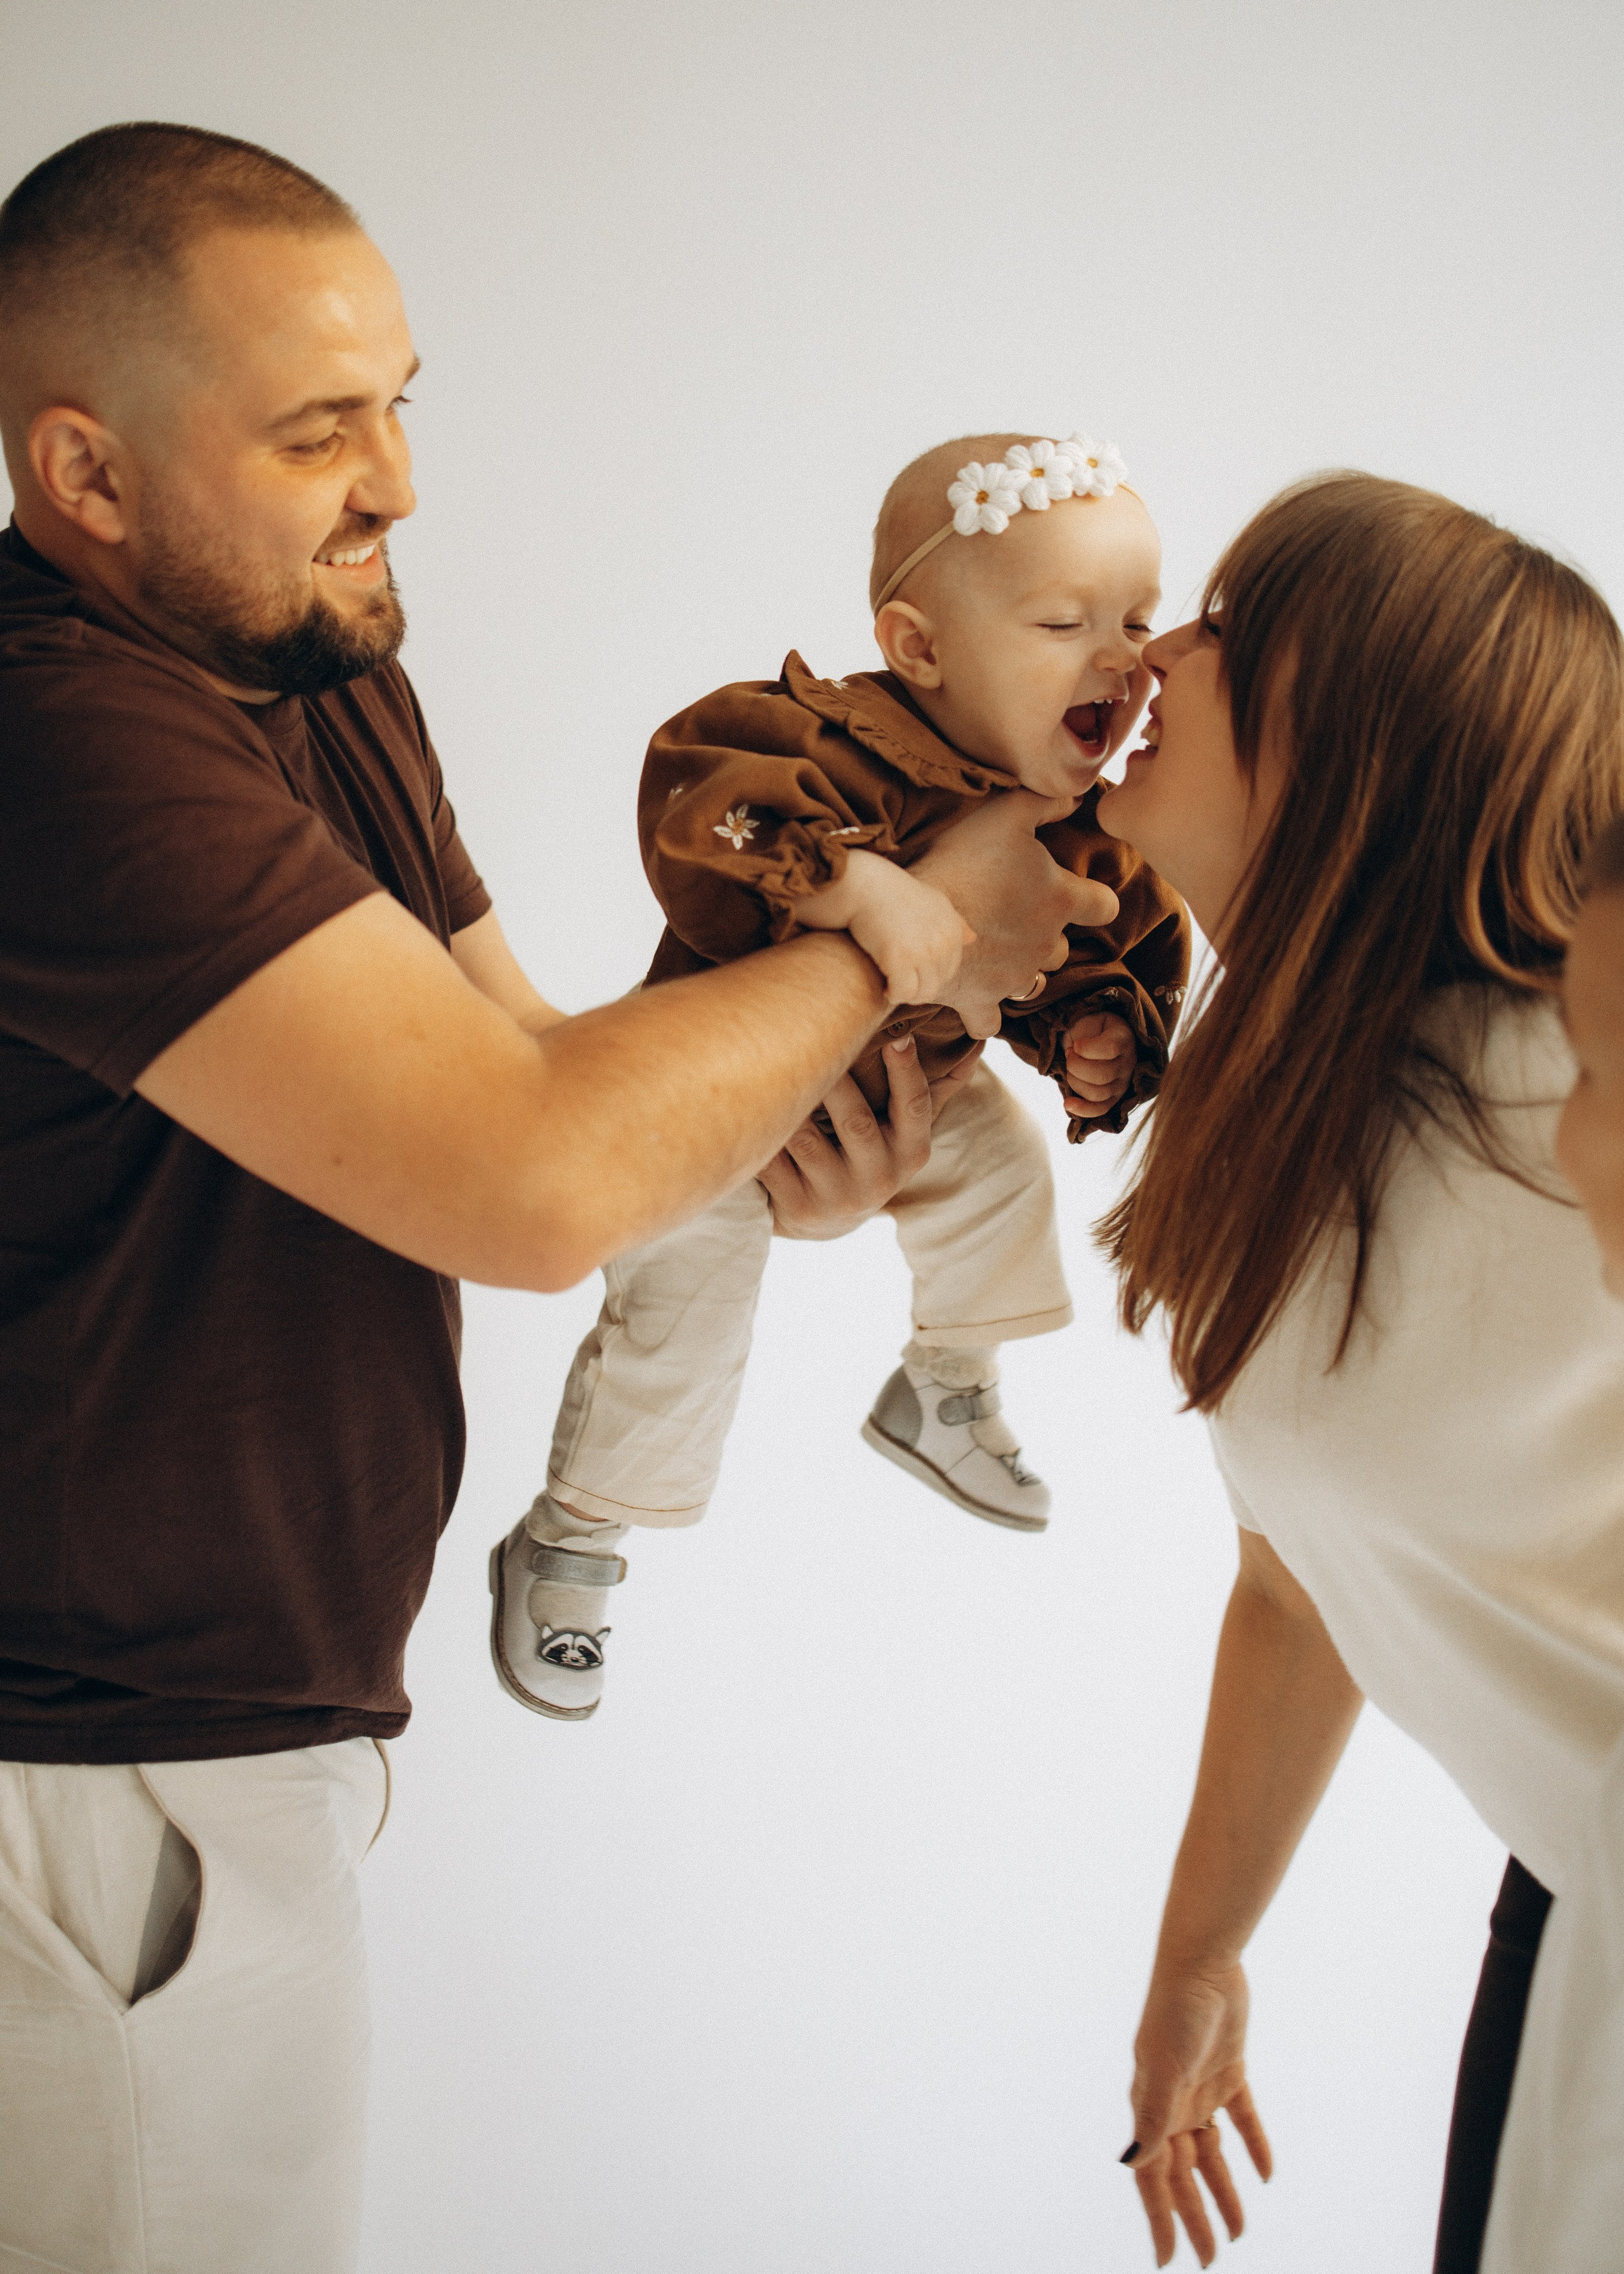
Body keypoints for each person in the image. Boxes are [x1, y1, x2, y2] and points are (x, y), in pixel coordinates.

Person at [0, 123, 1098, 2274]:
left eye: (404, 402)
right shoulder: (59, 738)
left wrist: (760, 1156)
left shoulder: (318, 681)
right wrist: (905, 929)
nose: (397, 480)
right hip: (83, 1791)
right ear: (88, 474)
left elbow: (530, 1093)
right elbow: (528, 1177)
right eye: (322, 431)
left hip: (214, 1757)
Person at [1087, 472, 1624, 2270]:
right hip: (1575, 1907)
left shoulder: (1575, 1095)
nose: (1162, 649)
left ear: (1364, 736)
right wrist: (1199, 1954)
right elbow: (1294, 1585)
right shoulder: (1304, 1103)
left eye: (1232, 626)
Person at [489, 433, 1189, 1720]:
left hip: (909, 1091)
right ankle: (579, 1532)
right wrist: (849, 880)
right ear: (919, 648)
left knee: (1003, 1170)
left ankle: (947, 1385)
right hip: (712, 1086)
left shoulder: (1073, 819)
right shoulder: (825, 741)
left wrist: (1096, 1037)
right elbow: (696, 796)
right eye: (1062, 621)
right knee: (683, 1307)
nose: (1123, 659)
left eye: (1139, 622)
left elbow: (1106, 934)